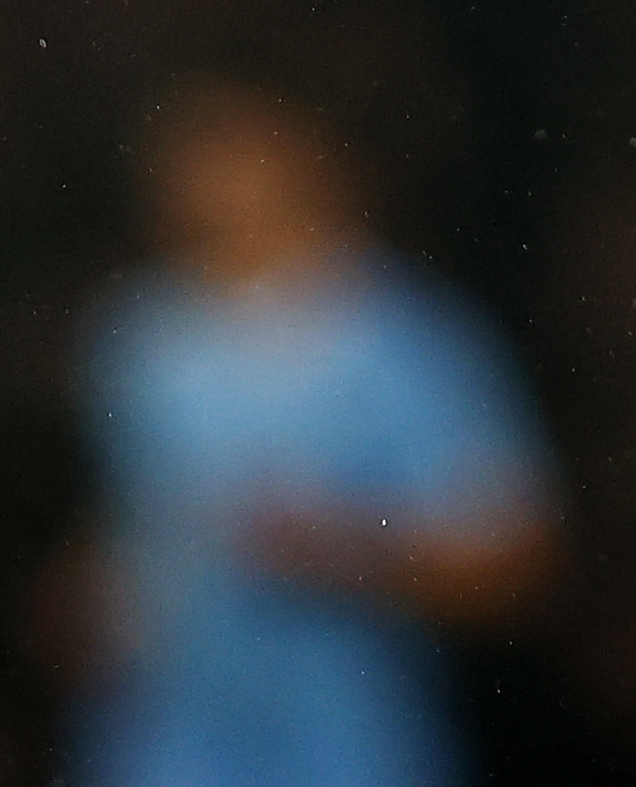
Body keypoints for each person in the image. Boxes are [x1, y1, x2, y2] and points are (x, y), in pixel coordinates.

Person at [64, 78, 557, 787]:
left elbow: (516, 553)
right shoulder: (137, 337)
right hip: (161, 747)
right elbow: (131, 527)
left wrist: (358, 553)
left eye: (242, 148)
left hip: (350, 746)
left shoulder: (406, 341)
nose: (217, 182)